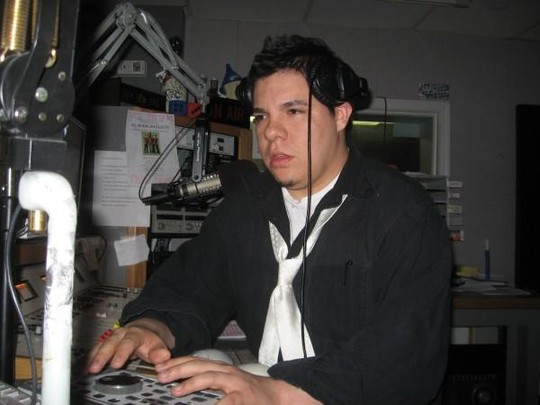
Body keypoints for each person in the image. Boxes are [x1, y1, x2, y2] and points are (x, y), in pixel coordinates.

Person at [87, 34, 452, 404]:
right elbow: (193, 284)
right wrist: (152, 327)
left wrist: (278, 393)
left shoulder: (404, 212)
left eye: (293, 111)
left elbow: (405, 352)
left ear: (340, 115)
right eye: (261, 116)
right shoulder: (243, 209)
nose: (270, 132)